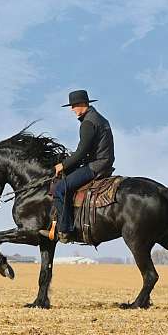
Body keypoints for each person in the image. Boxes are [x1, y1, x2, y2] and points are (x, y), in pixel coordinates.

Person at [40, 89, 115, 243]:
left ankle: (65, 230)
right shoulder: (100, 119)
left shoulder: (88, 123)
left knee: (60, 188)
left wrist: (63, 165)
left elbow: (81, 152)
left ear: (82, 104)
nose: (72, 109)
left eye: (73, 106)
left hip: (96, 166)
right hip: (104, 162)